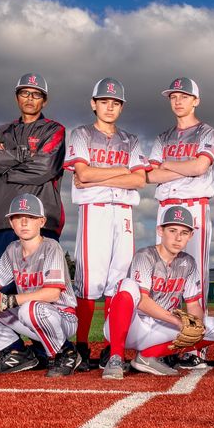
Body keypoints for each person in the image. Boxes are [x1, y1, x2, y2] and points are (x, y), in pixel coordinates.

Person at [63, 78, 148, 370]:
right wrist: (121, 170)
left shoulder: (131, 140)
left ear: (121, 107)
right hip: (94, 212)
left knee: (118, 281)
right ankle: (82, 345)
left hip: (123, 212)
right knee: (89, 282)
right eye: (104, 101)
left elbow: (140, 179)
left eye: (115, 102)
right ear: (93, 104)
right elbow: (83, 175)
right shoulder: (81, 134)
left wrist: (103, 174)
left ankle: (113, 347)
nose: (109, 106)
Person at [102, 206, 214, 379]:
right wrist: (176, 321)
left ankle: (148, 357)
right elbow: (143, 301)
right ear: (160, 230)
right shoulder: (145, 256)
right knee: (127, 285)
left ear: (190, 236)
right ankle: (115, 357)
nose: (177, 237)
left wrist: (196, 325)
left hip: (161, 329)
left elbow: (193, 304)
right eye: (172, 230)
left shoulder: (188, 263)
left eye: (183, 232)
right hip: (132, 325)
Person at [147, 77, 214, 368]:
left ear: (195, 101)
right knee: (161, 277)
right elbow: (150, 175)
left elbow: (200, 166)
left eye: (184, 96)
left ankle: (194, 347)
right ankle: (160, 343)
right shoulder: (163, 137)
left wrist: (167, 166)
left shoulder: (206, 131)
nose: (178, 101)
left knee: (194, 277)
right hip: (166, 209)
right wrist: (182, 169)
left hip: (195, 208)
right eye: (173, 96)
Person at [0, 194, 80, 377]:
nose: (24, 222)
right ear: (11, 223)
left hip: (62, 317)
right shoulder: (12, 249)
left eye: (30, 217)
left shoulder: (51, 247)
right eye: (17, 217)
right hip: (29, 314)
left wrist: (9, 300)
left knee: (28, 309)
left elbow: (53, 294)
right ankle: (17, 353)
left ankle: (67, 352)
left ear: (42, 222)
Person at [0, 73, 66, 264]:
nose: (30, 98)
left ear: (44, 101)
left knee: (39, 289)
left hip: (41, 222)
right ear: (17, 96)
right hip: (4, 220)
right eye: (25, 93)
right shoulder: (2, 131)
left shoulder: (53, 130)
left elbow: (45, 168)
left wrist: (4, 170)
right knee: (3, 289)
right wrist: (25, 155)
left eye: (36, 94)